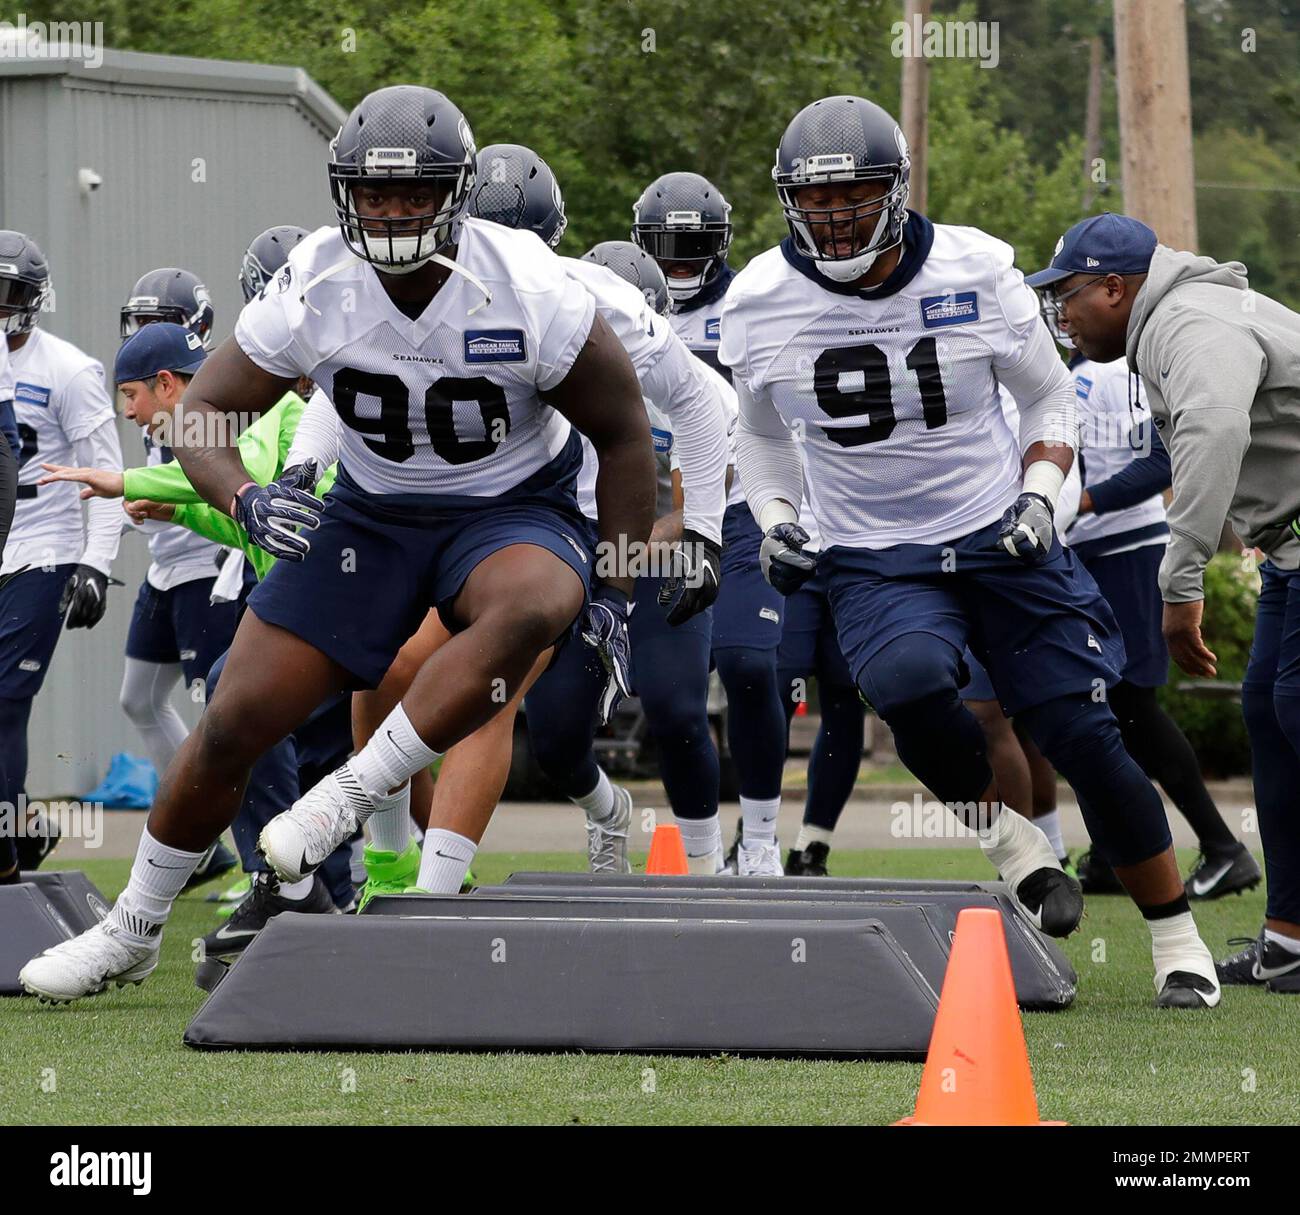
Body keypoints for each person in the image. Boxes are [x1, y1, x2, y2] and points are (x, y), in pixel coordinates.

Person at [19, 84, 655, 1003]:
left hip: (509, 503)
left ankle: (348, 800)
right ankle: (132, 928)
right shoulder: (320, 279)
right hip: (372, 511)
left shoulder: (530, 285)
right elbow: (202, 414)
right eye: (373, 194)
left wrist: (619, 593)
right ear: (342, 193)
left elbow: (626, 434)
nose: (391, 213)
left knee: (539, 601)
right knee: (237, 713)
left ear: (459, 193)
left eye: (413, 194)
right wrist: (243, 501)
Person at [727, 94, 1220, 1007]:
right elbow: (756, 434)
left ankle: (1176, 937)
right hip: (872, 549)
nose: (835, 218)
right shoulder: (759, 297)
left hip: (1000, 529)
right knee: (909, 684)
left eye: (857, 195)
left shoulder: (977, 267)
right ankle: (1011, 844)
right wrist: (775, 513)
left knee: (1083, 731)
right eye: (817, 200)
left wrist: (1042, 497)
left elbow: (1049, 400)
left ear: (900, 189)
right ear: (789, 201)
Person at [1032, 210, 1300, 993]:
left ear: (1116, 289)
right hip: (1287, 545)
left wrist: (1180, 588)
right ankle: (1288, 940)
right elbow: (1169, 449)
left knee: (1292, 707)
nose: (1062, 313)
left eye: (1069, 295)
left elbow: (1212, 433)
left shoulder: (1188, 322)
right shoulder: (1167, 326)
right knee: (1269, 715)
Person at [41, 322, 355, 955]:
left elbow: (251, 483)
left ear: (166, 384)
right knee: (301, 745)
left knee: (232, 697)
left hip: (343, 606)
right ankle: (316, 899)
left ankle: (291, 889)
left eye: (131, 395)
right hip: (322, 607)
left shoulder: (245, 417)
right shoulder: (226, 425)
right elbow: (253, 524)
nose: (128, 412)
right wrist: (181, 510)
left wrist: (128, 482)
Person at [634, 171, 790, 873]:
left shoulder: (754, 304)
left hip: (741, 510)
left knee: (750, 663)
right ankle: (700, 853)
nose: (679, 265)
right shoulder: (628, 304)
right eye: (664, 250)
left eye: (693, 248)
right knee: (671, 701)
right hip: (664, 523)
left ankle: (759, 839)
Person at [111, 271, 242, 892]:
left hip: (208, 567)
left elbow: (207, 478)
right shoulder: (151, 392)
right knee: (139, 698)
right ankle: (201, 840)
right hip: (166, 567)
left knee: (222, 711)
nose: (144, 335)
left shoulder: (209, 396)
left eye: (158, 321)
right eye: (138, 322)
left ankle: (237, 845)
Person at [0, 230, 123, 879]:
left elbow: (106, 472)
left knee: (4, 699)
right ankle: (21, 829)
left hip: (43, 549)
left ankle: (3, 852)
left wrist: (95, 563)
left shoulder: (68, 369)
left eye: (8, 292)